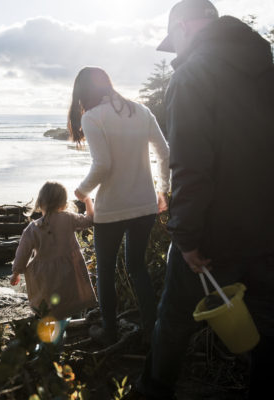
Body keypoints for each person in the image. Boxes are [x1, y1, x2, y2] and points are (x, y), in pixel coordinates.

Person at [136, 1, 274, 399]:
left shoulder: (193, 74)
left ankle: (153, 391)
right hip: (267, 229)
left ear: (181, 27)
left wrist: (186, 237)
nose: (175, 53)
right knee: (268, 323)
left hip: (214, 235)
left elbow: (192, 166)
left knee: (175, 319)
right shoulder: (267, 70)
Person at [68, 67, 170, 346]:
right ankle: (153, 331)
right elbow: (165, 152)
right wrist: (163, 191)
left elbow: (103, 165)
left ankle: (110, 332)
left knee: (106, 271)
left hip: (112, 209)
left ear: (82, 93)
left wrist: (81, 191)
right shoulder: (141, 110)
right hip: (145, 205)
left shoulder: (92, 117)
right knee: (137, 267)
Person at [10, 181, 97, 324]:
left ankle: (53, 328)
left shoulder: (34, 227)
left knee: (49, 305)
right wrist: (87, 200)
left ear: (40, 202)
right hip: (69, 270)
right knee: (71, 300)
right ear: (63, 203)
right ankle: (72, 324)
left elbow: (23, 252)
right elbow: (90, 220)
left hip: (46, 275)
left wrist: (16, 272)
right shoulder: (69, 218)